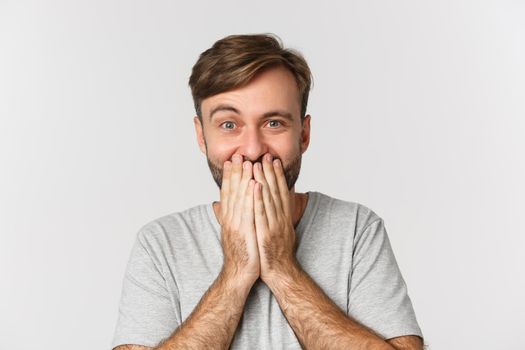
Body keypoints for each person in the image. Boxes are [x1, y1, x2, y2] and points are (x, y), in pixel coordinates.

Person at [111, 33, 424, 350]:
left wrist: (281, 267)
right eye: (229, 124)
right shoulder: (160, 243)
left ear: (303, 135)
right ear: (202, 136)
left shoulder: (357, 229)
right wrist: (236, 270)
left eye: (273, 123)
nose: (252, 149)